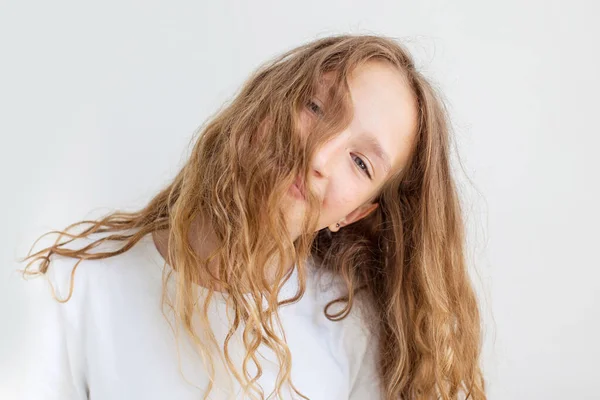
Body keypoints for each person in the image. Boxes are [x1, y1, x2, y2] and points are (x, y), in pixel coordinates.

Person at [19, 34, 486, 400]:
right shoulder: (76, 285)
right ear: (268, 97)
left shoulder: (352, 327)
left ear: (356, 213)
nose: (318, 154)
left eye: (360, 162)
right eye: (316, 106)